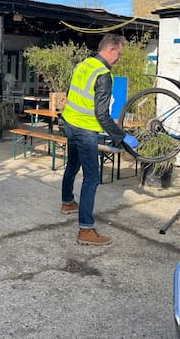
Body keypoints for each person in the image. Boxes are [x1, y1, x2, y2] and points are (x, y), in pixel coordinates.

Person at [60, 33, 138, 246]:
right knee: (92, 178)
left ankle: (67, 202)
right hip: (85, 131)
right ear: (111, 50)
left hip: (69, 123)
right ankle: (86, 230)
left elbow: (70, 92)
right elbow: (102, 115)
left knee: (73, 165)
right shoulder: (104, 75)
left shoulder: (84, 64)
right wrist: (122, 137)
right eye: (119, 54)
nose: (118, 59)